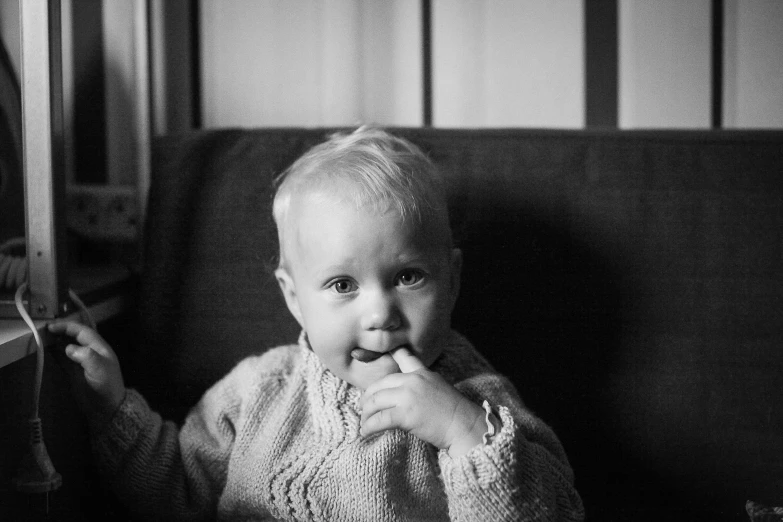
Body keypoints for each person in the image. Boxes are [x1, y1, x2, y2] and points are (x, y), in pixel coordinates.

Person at [49, 127, 584, 521]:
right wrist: (112, 409)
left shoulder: (479, 402)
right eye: (343, 285)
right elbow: (179, 486)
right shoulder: (258, 389)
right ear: (294, 296)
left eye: (409, 276)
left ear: (453, 280)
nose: (380, 315)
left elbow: (554, 510)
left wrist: (464, 435)